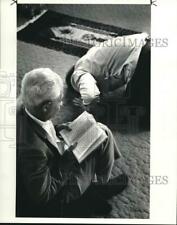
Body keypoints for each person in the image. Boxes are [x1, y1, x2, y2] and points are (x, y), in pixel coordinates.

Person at [16, 68, 128, 217]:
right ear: (46, 107)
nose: (62, 104)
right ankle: (99, 186)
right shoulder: (32, 150)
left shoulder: (26, 107)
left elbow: (40, 133)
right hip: (60, 191)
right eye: (60, 100)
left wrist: (56, 129)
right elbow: (43, 196)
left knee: (100, 129)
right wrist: (67, 161)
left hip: (53, 156)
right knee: (102, 134)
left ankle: (98, 180)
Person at [66, 32, 150, 124]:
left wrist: (87, 105)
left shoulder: (80, 74)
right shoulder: (90, 58)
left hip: (145, 54)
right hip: (146, 43)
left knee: (137, 114)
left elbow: (90, 95)